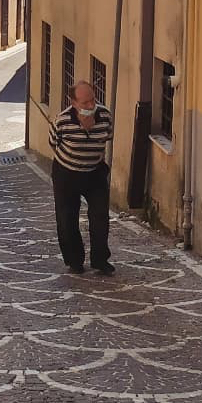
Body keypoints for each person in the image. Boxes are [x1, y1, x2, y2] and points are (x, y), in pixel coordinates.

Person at [48, 81, 115, 275]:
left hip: (94, 172)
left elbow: (107, 136)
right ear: (74, 103)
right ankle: (74, 261)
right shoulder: (62, 121)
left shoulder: (105, 116)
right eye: (85, 102)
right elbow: (54, 143)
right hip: (66, 173)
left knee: (100, 216)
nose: (90, 106)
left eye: (92, 100)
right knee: (67, 218)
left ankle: (100, 260)